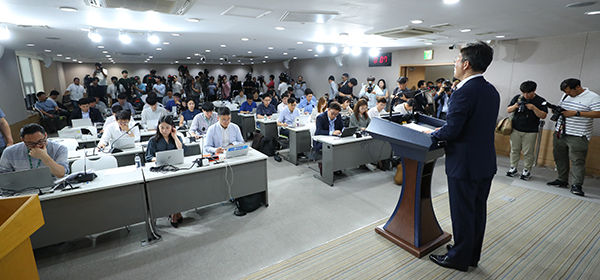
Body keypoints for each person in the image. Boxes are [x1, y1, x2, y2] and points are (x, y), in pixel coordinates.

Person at [426, 41, 499, 272]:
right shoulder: (491, 90)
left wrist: (434, 133)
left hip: (464, 164)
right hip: (485, 162)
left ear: (466, 64)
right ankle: (470, 255)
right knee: (477, 212)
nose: (455, 64)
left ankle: (458, 258)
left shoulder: (463, 91)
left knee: (462, 212)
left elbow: (453, 130)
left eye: (457, 60)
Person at [547, 78, 600, 196]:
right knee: (559, 157)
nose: (567, 94)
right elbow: (563, 108)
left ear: (577, 87)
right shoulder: (566, 96)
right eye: (565, 92)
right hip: (561, 132)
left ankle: (577, 185)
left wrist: (576, 113)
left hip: (578, 134)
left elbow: (598, 113)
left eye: (569, 91)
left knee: (577, 161)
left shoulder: (593, 97)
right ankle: (562, 179)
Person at [145, 115, 187, 228]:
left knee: (179, 185)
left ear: (172, 127)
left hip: (176, 169)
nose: (164, 130)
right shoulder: (153, 141)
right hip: (161, 171)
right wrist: (159, 159)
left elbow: (181, 150)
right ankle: (175, 213)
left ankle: (175, 212)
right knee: (171, 187)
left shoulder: (176, 138)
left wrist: (175, 136)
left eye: (167, 128)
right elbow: (148, 157)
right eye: (162, 127)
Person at [505, 81, 548, 180]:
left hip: (531, 130)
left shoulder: (540, 100)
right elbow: (508, 110)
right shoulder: (518, 98)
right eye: (523, 93)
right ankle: (513, 168)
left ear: (534, 90)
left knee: (528, 152)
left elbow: (543, 115)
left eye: (528, 93)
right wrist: (515, 106)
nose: (526, 95)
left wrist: (533, 108)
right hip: (516, 128)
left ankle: (527, 170)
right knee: (514, 150)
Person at [0, 123, 68, 178]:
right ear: (22, 140)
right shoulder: (10, 152)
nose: (37, 146)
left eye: (40, 141)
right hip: (22, 189)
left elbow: (61, 173)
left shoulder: (59, 148)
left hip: (53, 188)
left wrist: (44, 157)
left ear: (46, 135)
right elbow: (3, 176)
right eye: (31, 143)